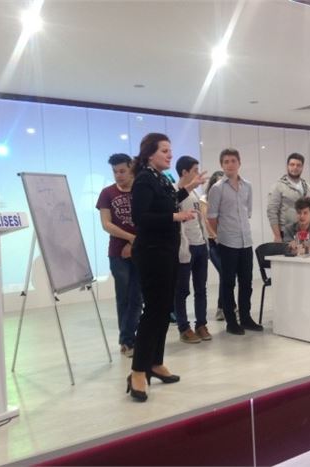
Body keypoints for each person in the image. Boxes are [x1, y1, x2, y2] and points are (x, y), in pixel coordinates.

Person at [127, 133, 206, 402]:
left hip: (167, 251)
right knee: (153, 312)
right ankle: (138, 370)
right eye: (164, 151)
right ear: (150, 154)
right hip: (151, 253)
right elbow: (140, 217)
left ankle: (155, 362)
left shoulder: (161, 178)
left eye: (170, 150)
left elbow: (168, 200)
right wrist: (176, 216)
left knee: (163, 311)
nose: (170, 155)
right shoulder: (144, 179)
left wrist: (188, 188)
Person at [207, 148, 263, 335]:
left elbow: (248, 212)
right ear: (221, 165)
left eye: (233, 161)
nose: (230, 164)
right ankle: (231, 321)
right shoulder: (217, 188)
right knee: (228, 282)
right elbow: (212, 217)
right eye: (226, 161)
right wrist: (219, 236)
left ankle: (246, 318)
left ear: (239, 163)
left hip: (246, 240)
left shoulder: (247, 186)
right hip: (227, 242)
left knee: (246, 281)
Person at [96, 153, 141, 358]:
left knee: (137, 297)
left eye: (122, 171)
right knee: (124, 297)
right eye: (115, 172)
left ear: (131, 169)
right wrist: (130, 238)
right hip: (117, 254)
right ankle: (127, 340)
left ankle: (128, 338)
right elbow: (106, 224)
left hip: (141, 252)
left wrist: (135, 243)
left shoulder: (141, 190)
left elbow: (148, 219)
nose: (118, 175)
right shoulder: (107, 193)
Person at [173, 156, 211, 344]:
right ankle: (184, 327)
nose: (198, 174)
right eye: (195, 170)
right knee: (181, 290)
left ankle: (201, 324)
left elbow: (200, 221)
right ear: (184, 172)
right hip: (184, 249)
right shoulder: (174, 192)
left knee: (201, 289)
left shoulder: (195, 194)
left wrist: (206, 242)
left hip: (200, 246)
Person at [200, 171, 236, 322]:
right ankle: (224, 308)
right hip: (213, 243)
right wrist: (215, 236)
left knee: (229, 274)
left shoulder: (227, 199)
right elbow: (206, 221)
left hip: (227, 240)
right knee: (224, 272)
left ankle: (227, 306)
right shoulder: (204, 200)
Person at [267, 153, 310, 242]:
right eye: (292, 164)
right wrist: (277, 236)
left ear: (302, 167)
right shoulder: (278, 186)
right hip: (286, 233)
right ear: (287, 166)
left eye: (298, 165)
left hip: (305, 233)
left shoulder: (308, 187)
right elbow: (272, 212)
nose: (295, 167)